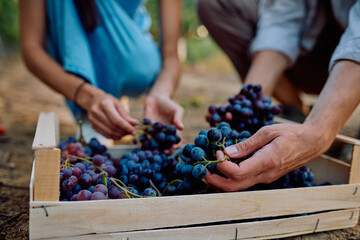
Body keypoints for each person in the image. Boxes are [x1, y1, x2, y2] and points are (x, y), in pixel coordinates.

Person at [197, 0, 360, 191]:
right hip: (320, 49)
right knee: (214, 4)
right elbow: (283, 14)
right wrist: (249, 99)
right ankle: (297, 113)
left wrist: (319, 130)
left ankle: (325, 119)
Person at [19, 0, 184, 144]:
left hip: (137, 59)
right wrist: (88, 97)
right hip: (85, 65)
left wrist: (160, 94)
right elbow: (31, 49)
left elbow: (171, 58)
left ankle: (107, 99)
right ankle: (98, 100)